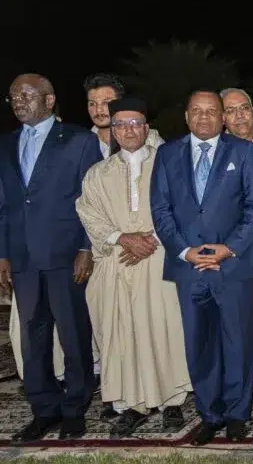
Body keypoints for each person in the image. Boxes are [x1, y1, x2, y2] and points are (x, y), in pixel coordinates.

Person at [150, 90, 253, 445]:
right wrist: (185, 251)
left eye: (211, 112)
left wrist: (228, 248)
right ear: (186, 116)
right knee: (199, 344)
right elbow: (161, 210)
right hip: (189, 268)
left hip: (232, 266)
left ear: (223, 117)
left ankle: (236, 414)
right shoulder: (167, 154)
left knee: (237, 342)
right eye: (196, 112)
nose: (204, 118)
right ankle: (210, 414)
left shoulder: (243, 151)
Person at [75, 97, 192, 437]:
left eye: (135, 123)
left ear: (146, 127)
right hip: (116, 263)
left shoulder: (169, 163)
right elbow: (88, 213)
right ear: (112, 130)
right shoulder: (98, 173)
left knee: (164, 329)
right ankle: (131, 404)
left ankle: (172, 401)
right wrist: (121, 237)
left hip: (159, 262)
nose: (128, 130)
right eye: (121, 124)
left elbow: (184, 206)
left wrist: (151, 238)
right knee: (122, 333)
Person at [0, 73, 102, 441]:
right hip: (23, 258)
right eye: (13, 96)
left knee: (74, 335)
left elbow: (92, 201)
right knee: (32, 337)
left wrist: (86, 248)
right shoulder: (5, 145)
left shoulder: (77, 140)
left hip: (65, 254)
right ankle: (43, 410)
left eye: (27, 95)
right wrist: (3, 255)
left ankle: (75, 409)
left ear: (49, 99)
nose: (19, 101)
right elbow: (5, 206)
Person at [220, 87, 253, 393]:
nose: (240, 116)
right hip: (240, 248)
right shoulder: (218, 149)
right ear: (223, 117)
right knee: (246, 320)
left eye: (245, 108)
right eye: (231, 110)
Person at [83, 73, 164, 159]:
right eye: (92, 104)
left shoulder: (149, 139)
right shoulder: (81, 144)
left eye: (106, 103)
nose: (98, 110)